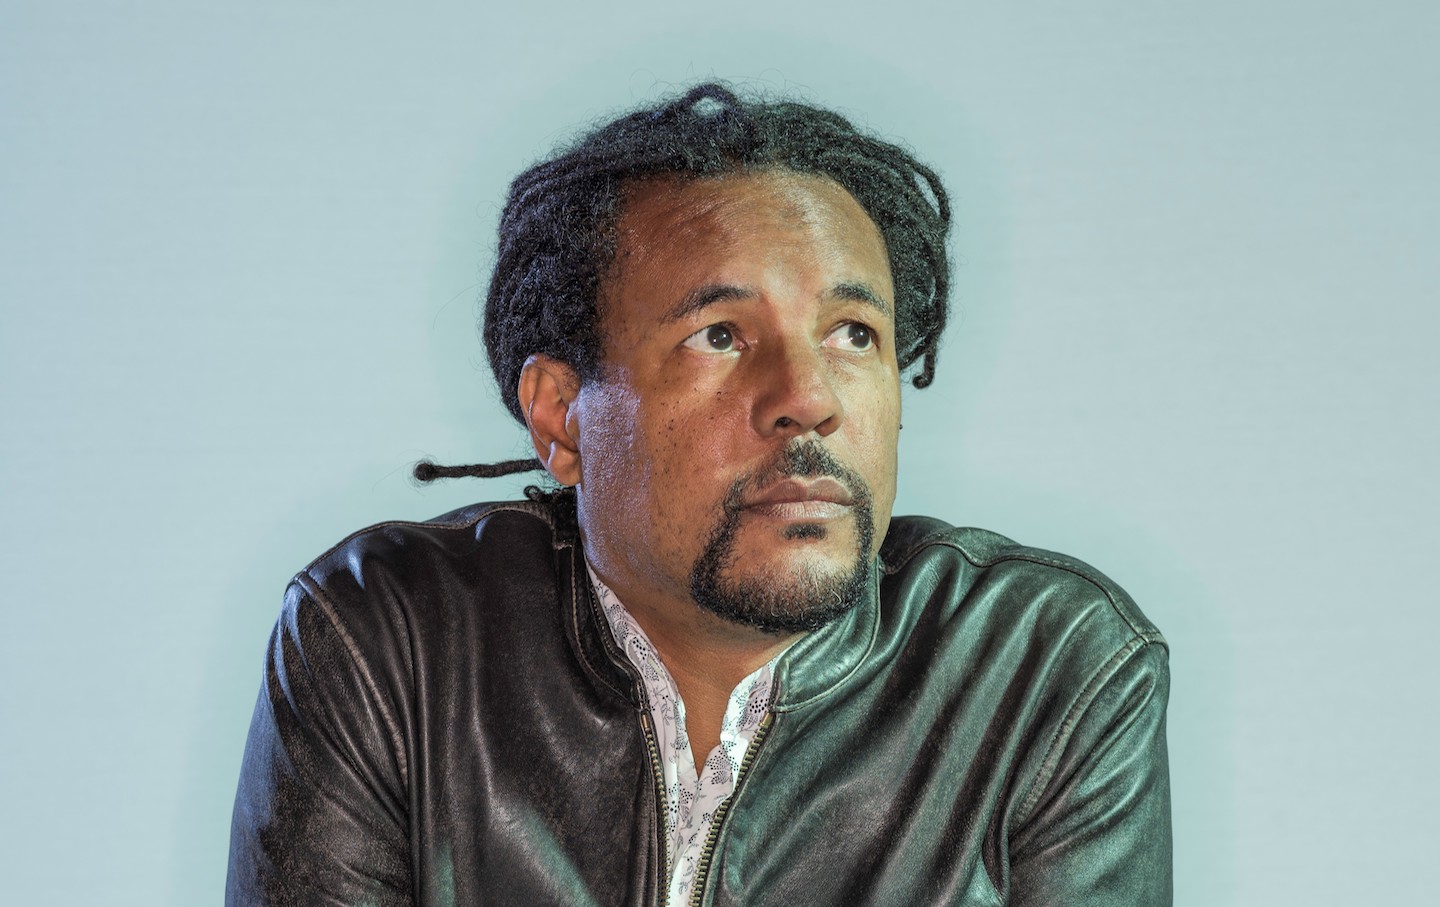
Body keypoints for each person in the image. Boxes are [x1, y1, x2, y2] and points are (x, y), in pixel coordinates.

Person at [227, 83, 1171, 907]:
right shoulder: (395, 640)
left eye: (853, 333)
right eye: (720, 335)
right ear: (561, 418)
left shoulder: (1041, 669)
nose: (809, 397)